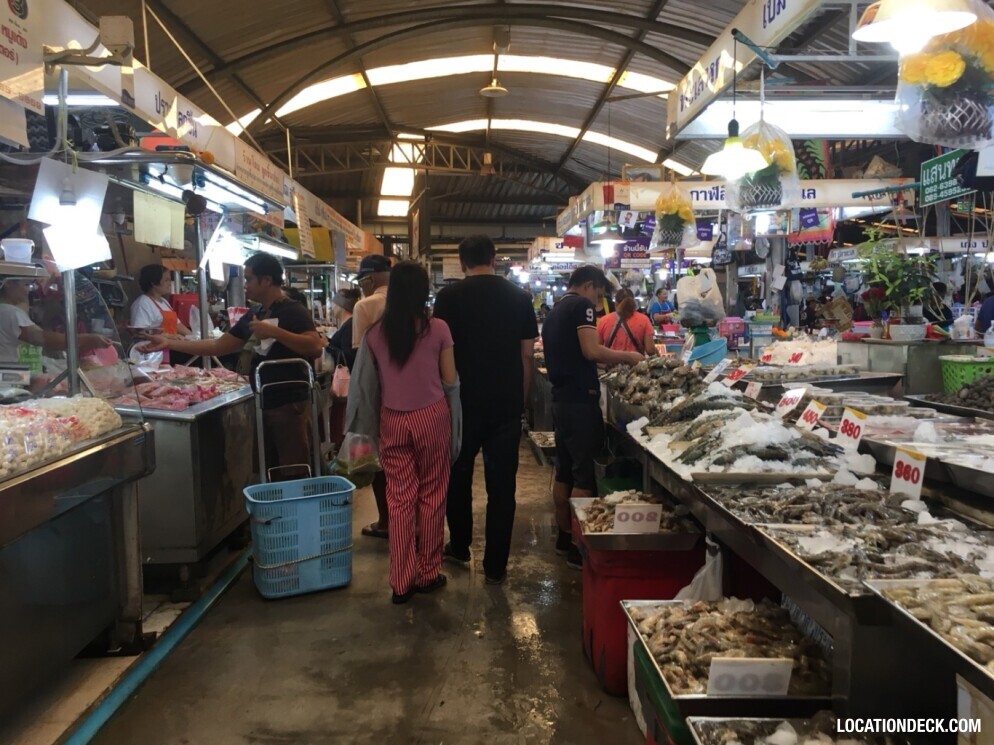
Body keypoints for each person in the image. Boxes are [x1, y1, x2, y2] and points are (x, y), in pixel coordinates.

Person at [143, 253, 325, 475]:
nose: (245, 285)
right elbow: (218, 346)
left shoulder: (293, 310)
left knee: (295, 470)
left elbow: (315, 346)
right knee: (270, 470)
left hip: (290, 405)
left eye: (249, 279)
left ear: (266, 280)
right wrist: (169, 343)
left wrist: (275, 332)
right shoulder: (256, 313)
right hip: (264, 402)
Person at [433, 235, 538, 585]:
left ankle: (460, 545)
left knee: (457, 477)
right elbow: (527, 355)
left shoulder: (448, 298)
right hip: (505, 405)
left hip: (461, 405)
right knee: (502, 486)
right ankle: (495, 565)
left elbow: (440, 354)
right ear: (494, 258)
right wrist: (522, 399)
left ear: (462, 262)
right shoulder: (520, 298)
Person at [361, 261, 457, 603]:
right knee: (432, 494)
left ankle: (401, 583)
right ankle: (427, 573)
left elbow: (371, 384)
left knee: (399, 499)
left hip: (392, 418)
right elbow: (450, 381)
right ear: (422, 292)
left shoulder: (374, 334)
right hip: (431, 416)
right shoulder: (439, 329)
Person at [542, 265, 643, 569]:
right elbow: (590, 350)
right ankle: (579, 548)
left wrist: (600, 365)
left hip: (561, 401)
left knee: (564, 472)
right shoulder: (581, 307)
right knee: (584, 475)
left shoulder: (555, 311)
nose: (599, 303)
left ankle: (563, 537)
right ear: (588, 285)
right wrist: (628, 357)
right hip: (580, 403)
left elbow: (575, 354)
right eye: (598, 295)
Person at [351, 254, 392, 539]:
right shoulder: (409, 303)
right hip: (407, 392)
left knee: (379, 460)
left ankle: (386, 521)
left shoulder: (364, 305)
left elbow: (360, 358)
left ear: (371, 278)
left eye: (362, 281)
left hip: (375, 391)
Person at [0, 277, 111, 375]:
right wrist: (87, 339)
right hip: (12, 381)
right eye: (26, 285)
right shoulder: (10, 313)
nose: (29, 290)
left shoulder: (7, 311)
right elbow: (42, 339)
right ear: (8, 283)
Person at [131, 265, 192, 364]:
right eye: (166, 280)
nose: (169, 283)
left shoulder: (164, 302)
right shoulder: (142, 303)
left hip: (169, 350)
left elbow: (177, 324)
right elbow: (140, 333)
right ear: (154, 283)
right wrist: (170, 337)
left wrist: (193, 337)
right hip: (152, 354)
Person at [597, 288, 657, 357]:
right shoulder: (644, 320)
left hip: (610, 362)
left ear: (616, 303)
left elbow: (597, 349)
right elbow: (650, 350)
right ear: (633, 302)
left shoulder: (604, 320)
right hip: (636, 363)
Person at [326, 288, 361, 371]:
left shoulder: (349, 326)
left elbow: (348, 356)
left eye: (334, 303)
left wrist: (328, 346)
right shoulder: (347, 324)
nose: (331, 307)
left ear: (341, 305)